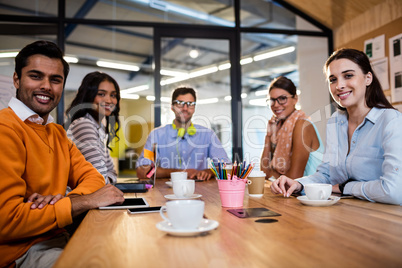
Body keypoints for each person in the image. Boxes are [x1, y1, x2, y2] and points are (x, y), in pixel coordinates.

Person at [0, 40, 124, 268]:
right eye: (36, 76)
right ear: (17, 79)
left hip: (58, 235)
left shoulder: (55, 132)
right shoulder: (5, 128)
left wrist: (64, 201)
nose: (46, 86)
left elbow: (95, 179)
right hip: (22, 252)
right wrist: (80, 202)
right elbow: (7, 220)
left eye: (55, 80)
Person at [271, 48, 402, 205]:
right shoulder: (335, 121)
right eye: (333, 79)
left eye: (348, 76)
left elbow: (394, 191)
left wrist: (346, 187)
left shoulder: (391, 121)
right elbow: (326, 175)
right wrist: (299, 184)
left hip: (385, 218)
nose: (339, 85)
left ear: (368, 78)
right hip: (345, 213)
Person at [136, 86, 230, 181]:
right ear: (172, 107)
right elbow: (143, 171)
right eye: (180, 103)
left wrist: (209, 171)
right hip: (166, 192)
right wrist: (178, 172)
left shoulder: (208, 135)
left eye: (190, 104)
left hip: (201, 191)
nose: (185, 108)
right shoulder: (156, 135)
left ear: (194, 108)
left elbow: (227, 168)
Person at [260, 76, 324, 179]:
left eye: (282, 98)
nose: (276, 105)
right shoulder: (279, 130)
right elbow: (264, 174)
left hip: (309, 193)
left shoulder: (302, 125)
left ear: (295, 99)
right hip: (291, 193)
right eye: (272, 100)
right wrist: (268, 136)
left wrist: (273, 173)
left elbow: (293, 179)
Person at [65, 71, 120, 185]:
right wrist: (108, 179)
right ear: (88, 96)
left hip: (93, 197)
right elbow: (100, 180)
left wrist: (108, 178)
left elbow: (112, 172)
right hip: (79, 198)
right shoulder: (84, 125)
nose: (109, 100)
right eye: (101, 94)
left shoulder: (97, 128)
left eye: (113, 95)